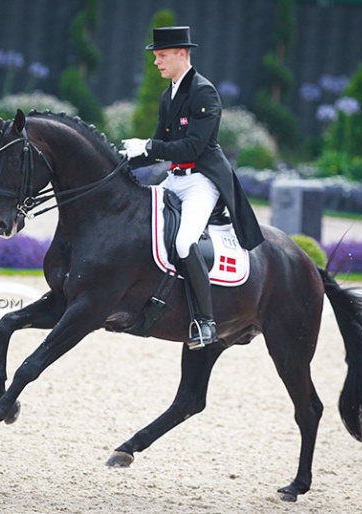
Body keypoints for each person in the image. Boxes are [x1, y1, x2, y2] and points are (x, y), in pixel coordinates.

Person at [122, 26, 264, 350]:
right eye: (156, 56)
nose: (156, 62)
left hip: (202, 181)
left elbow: (191, 147)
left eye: (162, 56)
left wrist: (146, 144)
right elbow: (159, 148)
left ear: (182, 54)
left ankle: (205, 321)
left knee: (185, 242)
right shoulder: (167, 95)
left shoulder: (204, 92)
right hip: (174, 178)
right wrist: (118, 162)